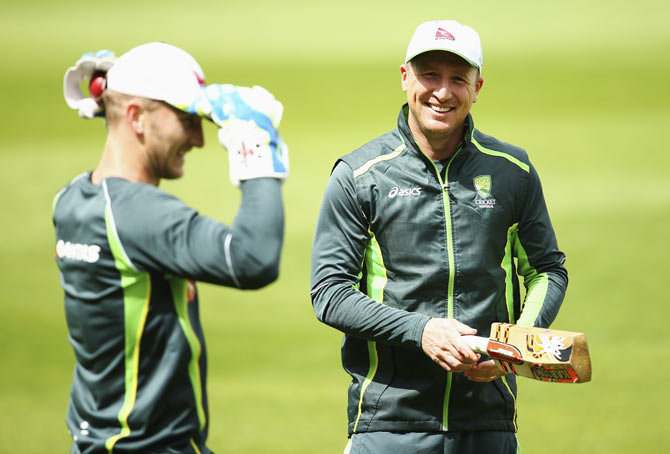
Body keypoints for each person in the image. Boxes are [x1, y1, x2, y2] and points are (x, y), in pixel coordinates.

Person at [310, 20, 568, 454]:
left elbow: (546, 270)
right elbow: (330, 293)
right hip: (388, 423)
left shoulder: (513, 171)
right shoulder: (359, 176)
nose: (443, 92)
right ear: (405, 76)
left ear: (477, 86)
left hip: (487, 419)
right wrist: (421, 330)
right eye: (430, 74)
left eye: (457, 79)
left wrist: (513, 349)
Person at [54, 42, 289, 454]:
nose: (199, 139)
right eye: (187, 119)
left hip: (98, 442)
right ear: (136, 118)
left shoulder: (72, 199)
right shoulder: (137, 215)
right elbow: (253, 259)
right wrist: (256, 147)